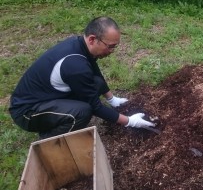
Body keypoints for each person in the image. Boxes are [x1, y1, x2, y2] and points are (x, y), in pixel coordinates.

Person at [9, 16, 155, 139]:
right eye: (110, 46)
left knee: (96, 82)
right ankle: (49, 140)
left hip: (49, 95)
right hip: (28, 111)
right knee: (82, 111)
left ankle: (58, 119)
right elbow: (95, 106)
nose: (112, 51)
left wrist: (112, 99)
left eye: (115, 47)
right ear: (92, 39)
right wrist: (129, 121)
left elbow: (95, 71)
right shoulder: (75, 66)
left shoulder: (80, 44)